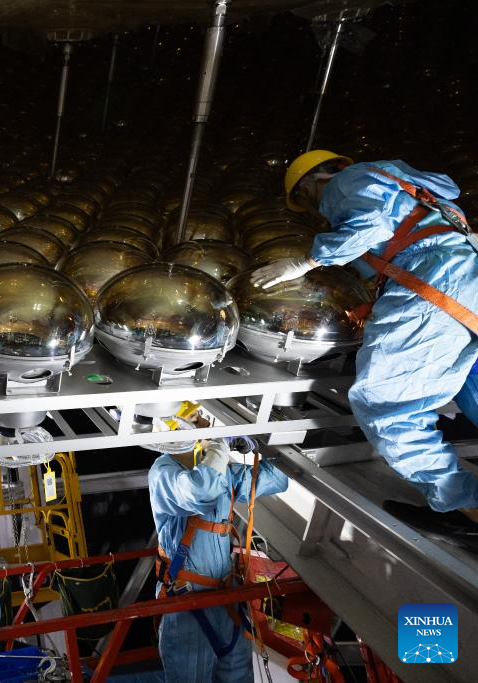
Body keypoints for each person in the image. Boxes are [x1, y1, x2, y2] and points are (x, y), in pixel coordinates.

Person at [253, 152, 478, 535]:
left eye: (307, 198)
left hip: (434, 286)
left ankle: (464, 506)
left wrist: (306, 261)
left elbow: (368, 227)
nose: (318, 208)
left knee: (387, 405)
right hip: (461, 277)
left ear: (315, 180)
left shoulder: (347, 181)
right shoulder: (405, 184)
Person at [149, 438, 289, 683]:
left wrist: (266, 442)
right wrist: (219, 447)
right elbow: (200, 490)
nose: (205, 423)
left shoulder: (218, 469)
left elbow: (278, 478)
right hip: (187, 606)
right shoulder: (163, 473)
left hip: (227, 602)